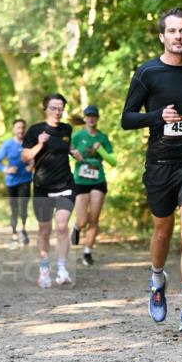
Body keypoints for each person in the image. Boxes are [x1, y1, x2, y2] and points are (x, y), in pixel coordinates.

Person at [121, 7, 182, 332]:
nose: (178, 37)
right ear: (163, 36)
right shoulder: (147, 73)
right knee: (163, 230)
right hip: (160, 162)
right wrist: (157, 116)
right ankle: (157, 279)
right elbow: (127, 118)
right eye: (172, 31)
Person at [21, 93, 83, 288]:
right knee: (44, 230)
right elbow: (25, 157)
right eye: (54, 108)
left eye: (60, 108)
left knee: (62, 226)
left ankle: (62, 269)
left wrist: (74, 153)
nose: (58, 111)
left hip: (65, 185)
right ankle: (44, 268)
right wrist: (40, 143)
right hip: (42, 187)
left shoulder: (66, 129)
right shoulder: (35, 130)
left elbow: (67, 147)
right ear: (45, 108)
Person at [70, 105, 116, 266]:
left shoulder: (102, 137)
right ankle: (76, 227)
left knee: (94, 218)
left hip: (98, 180)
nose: (91, 118)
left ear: (97, 118)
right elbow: (68, 152)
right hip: (80, 180)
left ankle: (87, 252)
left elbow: (113, 162)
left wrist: (101, 150)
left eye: (94, 116)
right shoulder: (77, 136)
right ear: (84, 118)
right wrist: (75, 156)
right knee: (82, 220)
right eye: (88, 116)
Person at [0, 118, 33, 247]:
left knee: (24, 207)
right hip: (12, 181)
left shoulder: (29, 143)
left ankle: (23, 230)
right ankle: (14, 234)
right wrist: (6, 169)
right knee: (14, 209)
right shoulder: (7, 145)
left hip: (25, 179)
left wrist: (32, 165)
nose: (21, 130)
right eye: (18, 127)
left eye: (23, 127)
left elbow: (38, 157)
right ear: (14, 130)